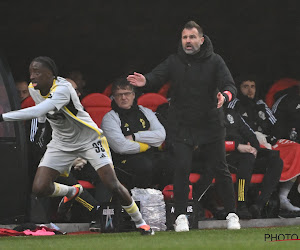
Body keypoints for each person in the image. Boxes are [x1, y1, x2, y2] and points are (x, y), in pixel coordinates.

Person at [0, 56, 154, 235]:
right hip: (61, 142)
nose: (32, 76)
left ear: (50, 74)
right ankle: (73, 191)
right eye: (31, 72)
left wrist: (3, 117)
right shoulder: (33, 89)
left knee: (112, 184)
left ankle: (141, 223)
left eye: (37, 72)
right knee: (39, 188)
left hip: (89, 140)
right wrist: (41, 131)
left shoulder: (63, 89)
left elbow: (40, 110)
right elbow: (41, 112)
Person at [127, 21, 240, 231]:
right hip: (183, 125)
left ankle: (232, 214)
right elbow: (156, 76)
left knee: (220, 168)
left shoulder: (215, 61)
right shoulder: (174, 61)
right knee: (181, 169)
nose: (188, 41)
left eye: (192, 37)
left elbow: (230, 85)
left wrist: (225, 96)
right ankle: (180, 216)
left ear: (201, 40)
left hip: (211, 124)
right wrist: (146, 80)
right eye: (185, 37)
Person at [228, 76, 300, 214]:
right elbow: (233, 128)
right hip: (242, 147)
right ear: (238, 88)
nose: (250, 90)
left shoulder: (260, 104)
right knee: (249, 158)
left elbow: (275, 124)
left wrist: (272, 138)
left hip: (264, 143)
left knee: (286, 153)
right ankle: (241, 205)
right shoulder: (233, 104)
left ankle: (269, 202)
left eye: (252, 86)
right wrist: (244, 142)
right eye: (246, 86)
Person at [101, 78, 170, 190]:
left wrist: (135, 137)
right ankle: (140, 199)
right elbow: (121, 147)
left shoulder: (145, 112)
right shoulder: (110, 118)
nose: (124, 97)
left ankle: (163, 198)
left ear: (133, 95)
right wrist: (148, 144)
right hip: (123, 161)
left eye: (127, 93)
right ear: (114, 97)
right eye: (119, 95)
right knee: (144, 165)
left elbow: (161, 135)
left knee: (170, 162)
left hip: (149, 156)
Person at [224, 106, 283, 219]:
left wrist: (254, 148)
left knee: (275, 158)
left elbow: (249, 133)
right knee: (247, 158)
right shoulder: (209, 114)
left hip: (246, 152)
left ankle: (259, 205)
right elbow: (212, 142)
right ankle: (241, 205)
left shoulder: (232, 113)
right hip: (227, 155)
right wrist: (237, 146)